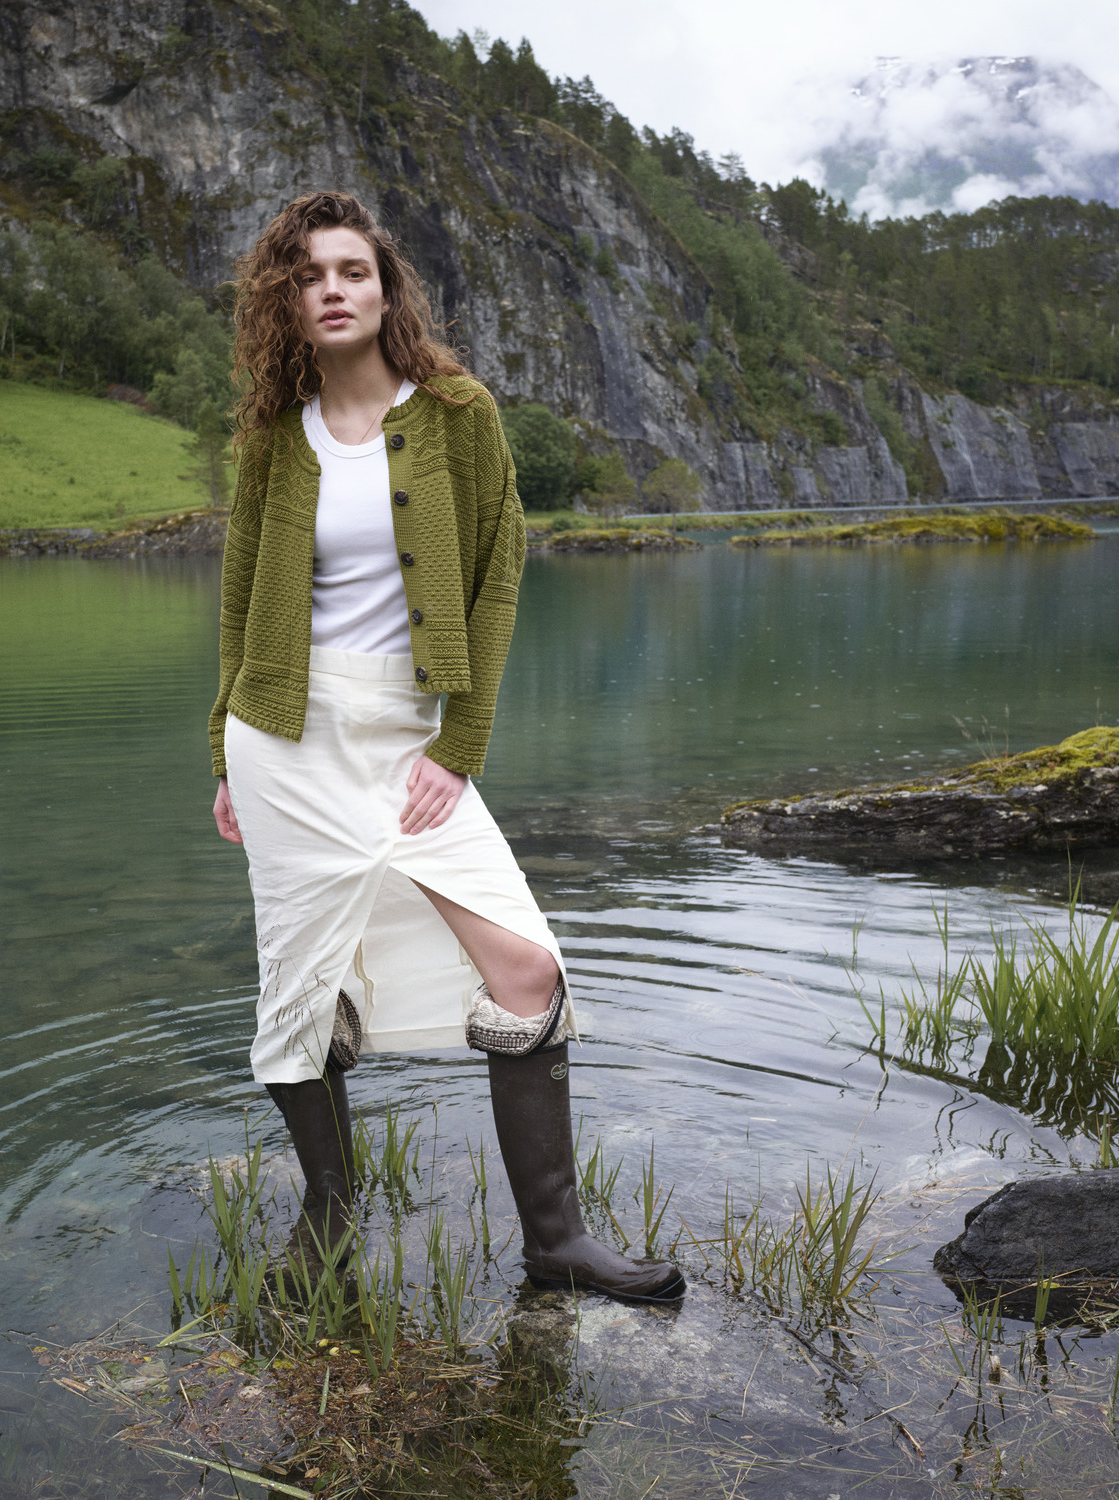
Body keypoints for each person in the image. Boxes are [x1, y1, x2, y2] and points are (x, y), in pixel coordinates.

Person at [208, 190, 684, 1303]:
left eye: (352, 271)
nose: (331, 288)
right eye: (308, 275)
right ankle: (329, 1223)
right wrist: (221, 759)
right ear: (285, 301)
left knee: (524, 969)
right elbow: (238, 604)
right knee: (302, 991)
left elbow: (497, 569)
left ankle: (555, 1245)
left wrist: (459, 748)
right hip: (283, 735)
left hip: (410, 731)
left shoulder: (457, 413)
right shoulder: (275, 441)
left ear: (385, 292)